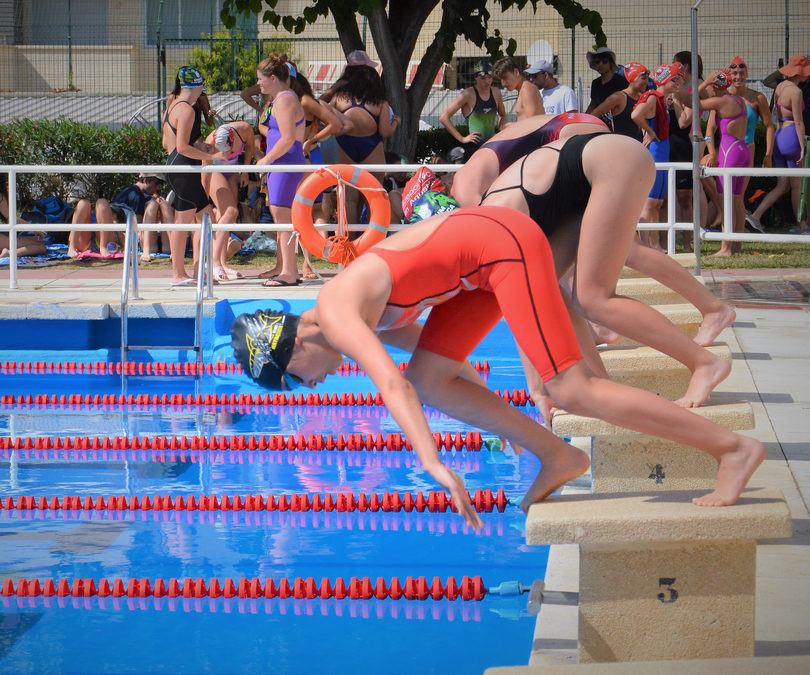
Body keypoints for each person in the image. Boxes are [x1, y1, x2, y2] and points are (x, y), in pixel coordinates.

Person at [230, 205, 766, 529]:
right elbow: (438, 367)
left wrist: (434, 463)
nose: (312, 384)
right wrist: (488, 405)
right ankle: (557, 456)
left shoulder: (337, 312)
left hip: (500, 246)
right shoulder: (362, 318)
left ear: (293, 349)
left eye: (297, 380)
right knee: (430, 378)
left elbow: (391, 386)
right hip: (478, 269)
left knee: (572, 388)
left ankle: (732, 448)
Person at [478, 127, 734, 414]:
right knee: (555, 290)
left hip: (611, 162)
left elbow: (521, 312)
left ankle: (704, 362)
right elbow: (538, 306)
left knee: (593, 298)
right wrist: (582, 389)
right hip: (593, 170)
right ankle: (600, 380)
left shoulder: (493, 227)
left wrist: (538, 389)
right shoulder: (490, 225)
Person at [451, 112, 608, 208]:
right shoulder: (469, 176)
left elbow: (490, 227)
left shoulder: (463, 191)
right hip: (573, 122)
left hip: (565, 130)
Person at [318, 51, 400, 227]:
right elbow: (385, 132)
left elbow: (319, 104)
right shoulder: (379, 101)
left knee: (349, 200)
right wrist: (396, 124)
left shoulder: (339, 98)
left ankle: (350, 243)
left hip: (345, 147)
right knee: (374, 197)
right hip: (371, 147)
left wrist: (337, 84)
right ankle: (375, 241)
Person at [162, 66, 225, 286]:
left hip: (178, 166)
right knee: (183, 223)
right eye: (201, 87)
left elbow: (167, 143)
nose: (202, 92)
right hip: (184, 170)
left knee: (208, 217)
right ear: (197, 87)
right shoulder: (187, 110)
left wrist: (201, 146)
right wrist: (215, 154)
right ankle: (178, 274)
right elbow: (182, 148)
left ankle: (200, 272)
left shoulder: (172, 106)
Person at [254, 55, 308, 287]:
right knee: (282, 218)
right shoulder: (282, 99)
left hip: (285, 163)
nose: (259, 84)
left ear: (273, 78)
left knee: (282, 218)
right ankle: (291, 271)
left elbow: (288, 139)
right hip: (282, 163)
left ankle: (287, 272)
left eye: (260, 79)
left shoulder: (285, 100)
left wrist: (266, 160)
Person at [746, 54, 810, 235]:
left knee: (782, 185)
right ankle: (802, 226)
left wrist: (783, 69)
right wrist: (803, 146)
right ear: (801, 72)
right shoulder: (796, 92)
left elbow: (769, 81)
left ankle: (755, 216)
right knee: (797, 185)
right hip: (791, 137)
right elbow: (799, 122)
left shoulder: (781, 86)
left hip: (779, 135)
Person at [698, 70, 754, 256]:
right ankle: (737, 245)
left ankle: (726, 247)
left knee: (726, 201)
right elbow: (710, 130)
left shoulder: (721, 101)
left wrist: (704, 82)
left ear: (715, 87)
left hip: (730, 152)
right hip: (742, 150)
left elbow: (691, 101)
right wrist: (712, 151)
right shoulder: (738, 100)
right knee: (737, 201)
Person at [631, 63, 684, 250]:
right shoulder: (653, 97)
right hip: (655, 153)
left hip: (662, 153)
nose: (678, 82)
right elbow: (636, 114)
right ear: (665, 80)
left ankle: (654, 244)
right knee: (650, 202)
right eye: (674, 79)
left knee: (658, 203)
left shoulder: (661, 99)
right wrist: (649, 132)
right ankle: (648, 245)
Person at [202, 122, 255, 280]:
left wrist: (245, 170)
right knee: (231, 211)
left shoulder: (244, 129)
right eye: (222, 152)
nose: (226, 154)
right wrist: (204, 202)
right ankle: (214, 262)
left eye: (229, 150)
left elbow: (251, 147)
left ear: (233, 140)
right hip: (215, 171)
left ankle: (223, 264)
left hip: (232, 171)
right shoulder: (209, 142)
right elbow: (205, 176)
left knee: (226, 216)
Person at [438, 58, 506, 162]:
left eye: (489, 77)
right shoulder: (467, 95)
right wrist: (462, 138)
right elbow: (444, 117)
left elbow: (503, 115)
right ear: (476, 78)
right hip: (474, 149)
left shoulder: (496, 93)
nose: (487, 81)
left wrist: (501, 131)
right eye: (483, 78)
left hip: (492, 146)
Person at [109, 172, 173, 263]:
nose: (158, 188)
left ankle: (170, 248)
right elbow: (137, 227)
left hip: (150, 240)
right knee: (154, 204)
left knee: (162, 203)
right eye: (157, 183)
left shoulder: (130, 192)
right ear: (145, 180)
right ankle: (170, 249)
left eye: (160, 184)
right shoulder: (137, 196)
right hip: (140, 240)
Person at [590, 61, 646, 141]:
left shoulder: (642, 97)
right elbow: (594, 114)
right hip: (620, 144)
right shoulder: (618, 97)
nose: (647, 82)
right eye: (643, 79)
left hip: (638, 144)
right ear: (633, 78)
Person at [493, 57, 545, 121]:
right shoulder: (522, 90)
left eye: (505, 77)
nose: (503, 83)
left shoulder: (527, 89)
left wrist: (508, 127)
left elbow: (532, 123)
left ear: (516, 72)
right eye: (500, 80)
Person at [585, 47, 629, 114]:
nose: (600, 64)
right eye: (597, 61)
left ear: (611, 63)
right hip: (599, 120)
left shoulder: (621, 82)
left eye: (604, 61)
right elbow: (593, 104)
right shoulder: (595, 83)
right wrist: (585, 118)